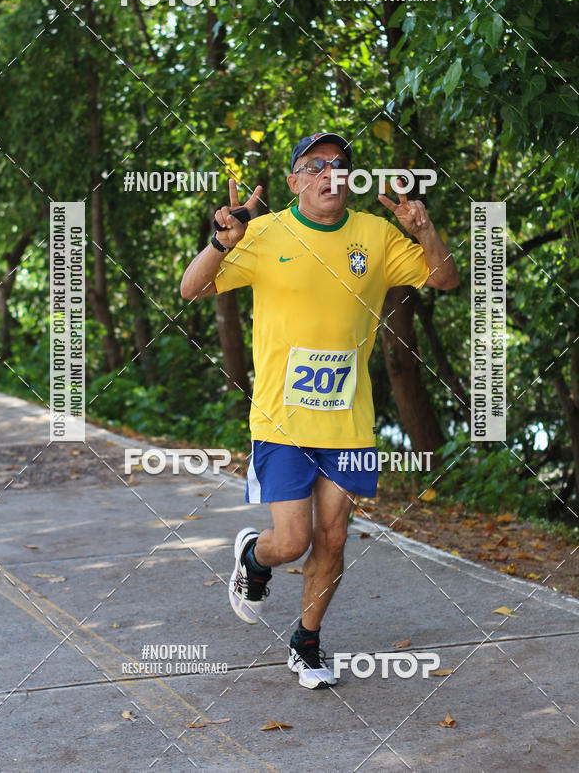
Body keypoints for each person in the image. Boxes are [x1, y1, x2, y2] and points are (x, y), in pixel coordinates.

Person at [180, 132, 459, 689]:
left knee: (332, 538)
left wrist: (424, 230)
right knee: (294, 541)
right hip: (281, 419)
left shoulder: (375, 235)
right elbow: (191, 288)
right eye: (315, 165)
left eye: (340, 165)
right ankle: (257, 560)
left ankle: (306, 641)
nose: (330, 173)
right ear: (295, 181)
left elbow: (444, 277)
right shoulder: (262, 233)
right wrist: (220, 241)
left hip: (348, 420)